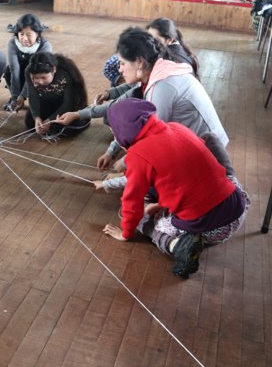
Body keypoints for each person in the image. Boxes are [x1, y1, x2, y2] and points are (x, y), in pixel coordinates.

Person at [102, 99, 249, 279]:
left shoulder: (137, 155)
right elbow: (184, 179)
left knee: (138, 219)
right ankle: (182, 234)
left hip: (209, 228)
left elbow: (131, 203)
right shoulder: (176, 128)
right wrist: (162, 205)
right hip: (237, 207)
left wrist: (125, 234)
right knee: (209, 141)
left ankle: (177, 246)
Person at [94, 27, 227, 173]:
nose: (120, 69)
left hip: (210, 157)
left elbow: (152, 139)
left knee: (146, 174)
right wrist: (111, 152)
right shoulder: (160, 71)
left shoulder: (162, 87)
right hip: (209, 146)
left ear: (139, 62)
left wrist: (126, 163)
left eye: (123, 63)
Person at [23, 51, 90, 138]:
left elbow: (68, 103)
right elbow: (33, 95)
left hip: (69, 106)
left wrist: (50, 120)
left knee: (68, 128)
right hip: (47, 101)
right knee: (30, 122)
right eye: (35, 78)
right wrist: (37, 117)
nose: (39, 82)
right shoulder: (29, 71)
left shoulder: (66, 75)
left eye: (43, 77)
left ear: (54, 70)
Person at [3, 13, 52, 112]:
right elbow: (14, 70)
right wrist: (15, 98)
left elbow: (32, 72)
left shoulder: (45, 46)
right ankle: (14, 97)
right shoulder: (13, 43)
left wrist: (23, 96)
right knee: (8, 71)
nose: (24, 39)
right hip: (21, 74)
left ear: (37, 34)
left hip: (37, 77)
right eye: (21, 34)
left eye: (29, 35)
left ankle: (37, 98)